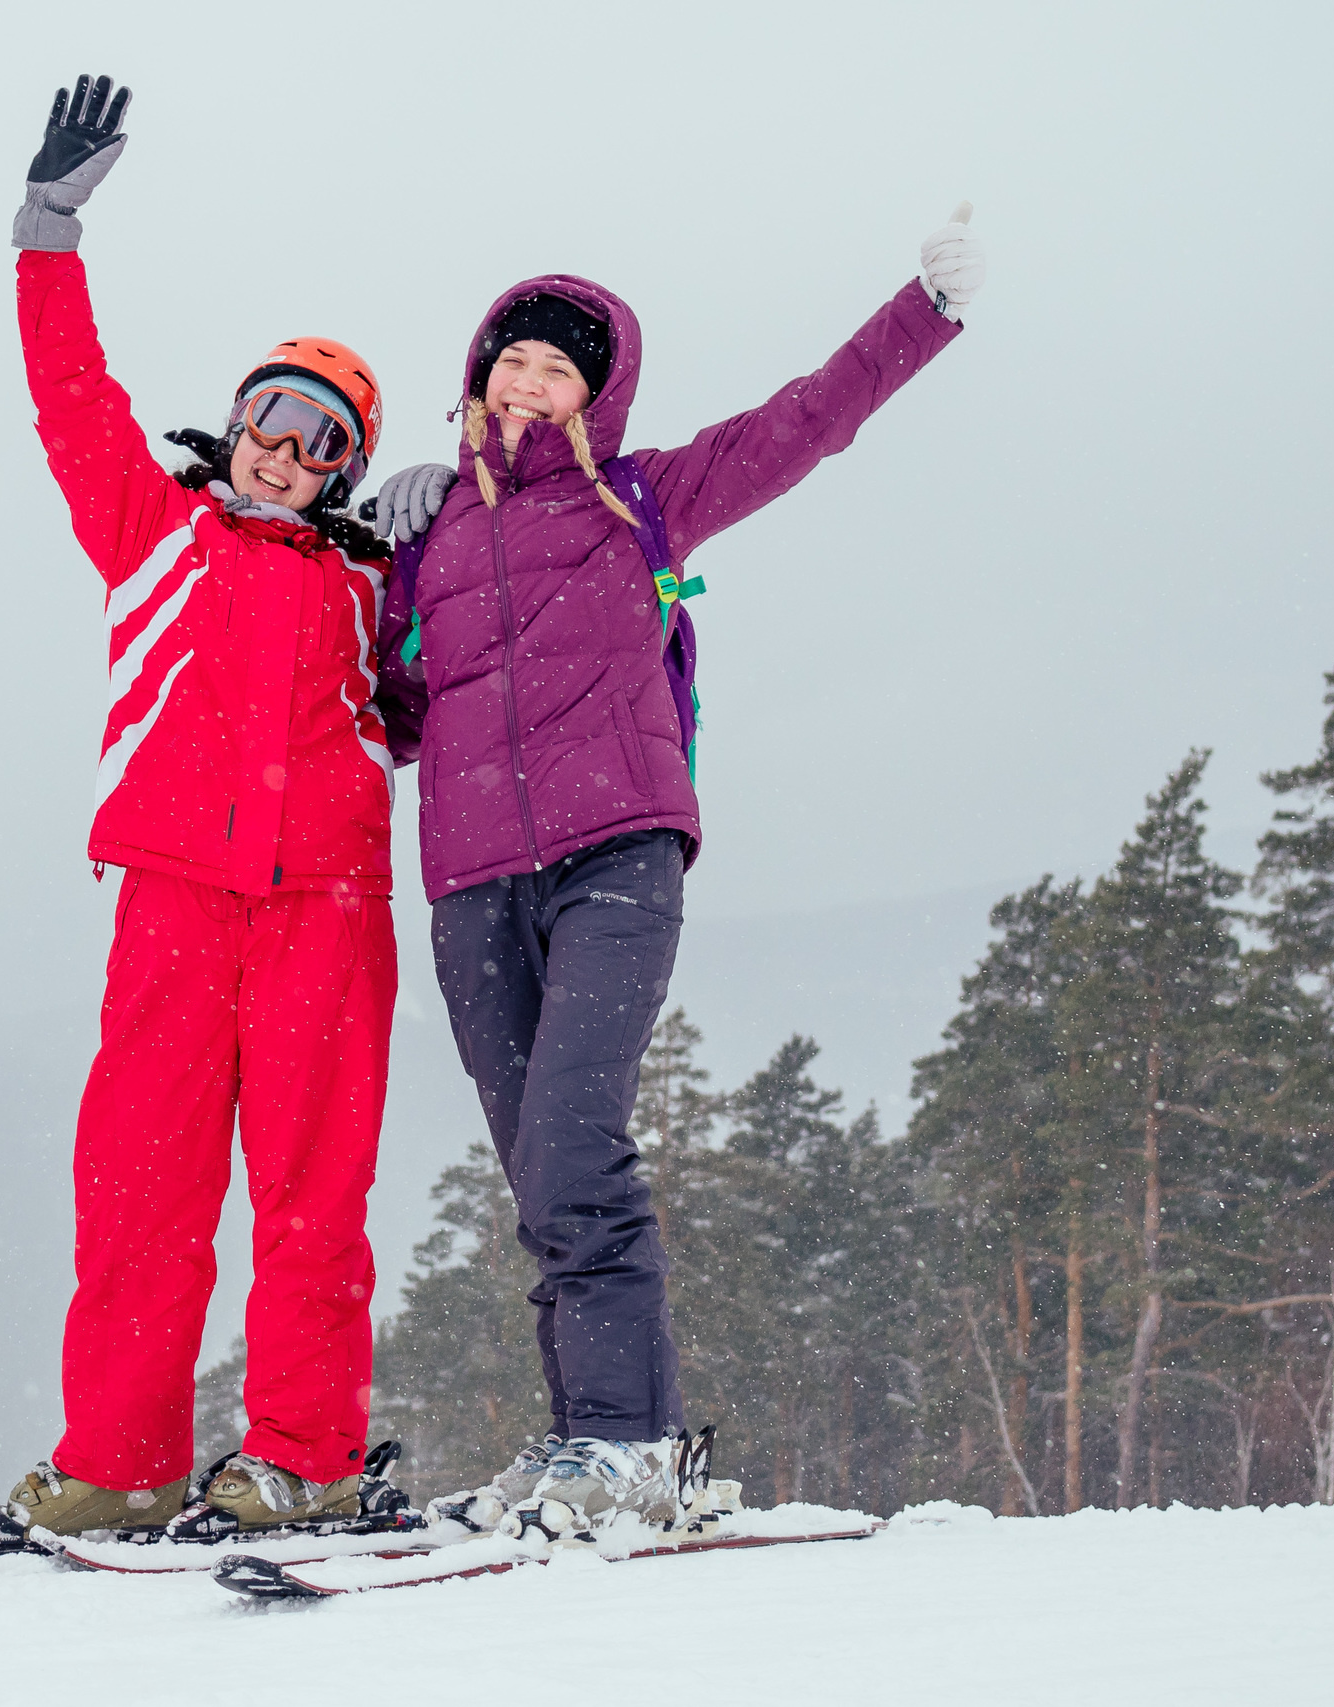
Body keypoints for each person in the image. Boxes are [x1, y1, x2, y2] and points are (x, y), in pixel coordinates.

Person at [369, 213, 988, 1540]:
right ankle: (585, 1437)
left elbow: (806, 421)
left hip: (618, 853)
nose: (531, 386)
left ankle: (631, 1440)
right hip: (470, 884)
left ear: (598, 392)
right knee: (536, 1173)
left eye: (559, 371)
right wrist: (374, 553)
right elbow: (395, 712)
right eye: (514, 364)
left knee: (577, 1137)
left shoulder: (642, 496)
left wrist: (922, 311)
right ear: (479, 378)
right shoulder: (432, 543)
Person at [0, 74, 402, 1550]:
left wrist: (451, 524)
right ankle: (125, 1460)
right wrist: (48, 231)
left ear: (348, 469)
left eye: (325, 438)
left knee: (308, 1202)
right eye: (273, 417)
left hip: (324, 917)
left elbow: (481, 659)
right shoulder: (154, 532)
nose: (288, 449)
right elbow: (69, 396)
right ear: (235, 422)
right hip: (169, 903)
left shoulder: (367, 589)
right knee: (140, 1194)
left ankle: (302, 1461)